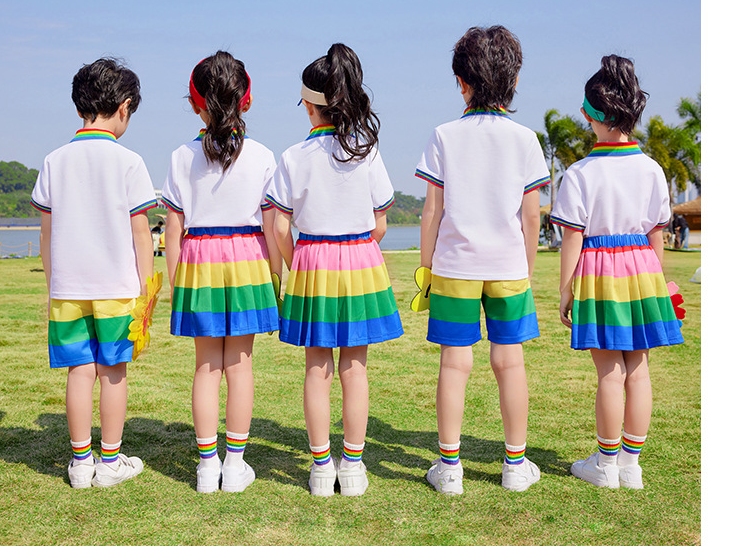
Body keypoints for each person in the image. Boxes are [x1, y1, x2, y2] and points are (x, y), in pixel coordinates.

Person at [415, 25, 550, 495]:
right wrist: (526, 270)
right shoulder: (525, 139)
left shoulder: (444, 136)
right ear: (514, 81)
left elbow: (431, 211)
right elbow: (530, 215)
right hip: (509, 267)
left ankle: (450, 468)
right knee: (510, 363)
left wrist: (427, 268)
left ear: (462, 82)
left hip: (454, 267)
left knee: (455, 364)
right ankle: (515, 465)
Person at [266, 43, 403, 497]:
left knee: (316, 368)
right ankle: (355, 465)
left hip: (312, 261)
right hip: (360, 259)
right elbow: (381, 222)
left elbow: (280, 226)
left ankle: (322, 467)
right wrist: (357, 251)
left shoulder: (293, 156)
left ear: (309, 106)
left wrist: (299, 263)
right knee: (355, 368)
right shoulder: (366, 149)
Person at [552, 55, 684, 490]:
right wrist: (660, 285)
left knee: (609, 372)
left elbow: (572, 238)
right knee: (639, 370)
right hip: (643, 271)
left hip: (600, 274)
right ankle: (631, 464)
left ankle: (605, 465)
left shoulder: (579, 173)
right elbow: (657, 234)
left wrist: (566, 290)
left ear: (590, 113)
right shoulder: (652, 169)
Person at [31, 57, 157, 489]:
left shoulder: (54, 160)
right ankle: (111, 461)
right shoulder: (129, 162)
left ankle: (81, 462)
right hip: (116, 287)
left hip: (67, 287)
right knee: (113, 371)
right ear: (124, 107)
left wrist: (53, 282)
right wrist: (146, 288)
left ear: (79, 104)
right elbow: (141, 233)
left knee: (79, 371)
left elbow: (46, 232)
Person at [162, 52, 281, 494]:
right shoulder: (263, 156)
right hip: (248, 259)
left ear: (196, 104)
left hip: (198, 261)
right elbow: (272, 225)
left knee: (206, 367)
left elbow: (173, 229)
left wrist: (177, 284)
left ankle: (206, 466)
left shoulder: (181, 156)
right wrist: (275, 277)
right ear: (245, 101)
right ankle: (234, 466)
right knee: (240, 366)